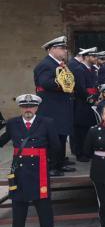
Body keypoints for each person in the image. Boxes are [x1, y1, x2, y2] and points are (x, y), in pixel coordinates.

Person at [0, 94, 60, 227]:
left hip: (39, 169)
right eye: (25, 106)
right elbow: (2, 141)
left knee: (44, 206)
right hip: (19, 171)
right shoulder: (13, 123)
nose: (28, 109)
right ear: (20, 108)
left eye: (31, 106)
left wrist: (50, 166)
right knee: (18, 206)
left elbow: (56, 147)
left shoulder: (47, 122)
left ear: (36, 107)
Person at [33, 36, 75, 177]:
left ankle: (59, 162)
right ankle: (51, 166)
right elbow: (45, 83)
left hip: (60, 105)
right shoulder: (46, 64)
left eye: (65, 48)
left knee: (61, 135)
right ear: (51, 49)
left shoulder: (60, 64)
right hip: (51, 107)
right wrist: (63, 83)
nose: (65, 51)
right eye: (61, 48)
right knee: (53, 137)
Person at [71, 47, 98, 162]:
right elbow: (80, 88)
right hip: (82, 103)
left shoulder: (92, 69)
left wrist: (96, 97)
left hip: (91, 103)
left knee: (88, 128)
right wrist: (90, 99)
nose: (95, 58)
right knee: (80, 129)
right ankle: (80, 153)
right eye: (93, 56)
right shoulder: (79, 69)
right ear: (86, 57)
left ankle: (88, 151)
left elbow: (95, 86)